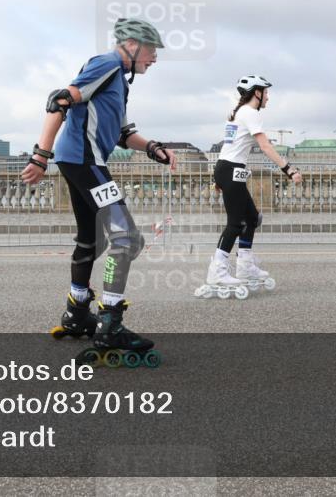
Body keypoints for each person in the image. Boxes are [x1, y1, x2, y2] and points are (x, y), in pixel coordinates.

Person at [21, 18, 176, 365]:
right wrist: (40, 156)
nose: (154, 58)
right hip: (86, 162)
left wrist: (153, 148)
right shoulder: (106, 64)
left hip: (79, 161)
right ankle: (109, 323)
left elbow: (121, 134)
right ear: (133, 45)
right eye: (152, 51)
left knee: (93, 240)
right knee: (127, 239)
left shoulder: (118, 80)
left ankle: (77, 311)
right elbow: (59, 100)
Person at [195, 75, 303, 299]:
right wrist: (288, 169)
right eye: (266, 92)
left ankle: (245, 265)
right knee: (235, 223)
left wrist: (219, 177)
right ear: (257, 92)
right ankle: (217, 271)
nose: (268, 97)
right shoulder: (250, 113)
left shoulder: (238, 113)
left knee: (252, 218)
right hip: (230, 170)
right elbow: (265, 145)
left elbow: (230, 146)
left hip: (228, 169)